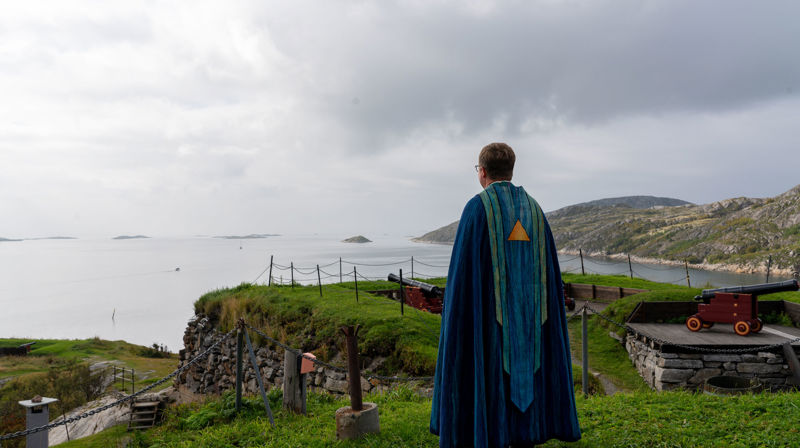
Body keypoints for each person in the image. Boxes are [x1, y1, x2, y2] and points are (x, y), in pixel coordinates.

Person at [430, 142, 581, 447]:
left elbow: (462, 277)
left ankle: (490, 431)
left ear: (481, 172)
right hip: (533, 323)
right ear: (511, 171)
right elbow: (550, 275)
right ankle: (529, 430)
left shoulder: (477, 208)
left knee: (492, 365)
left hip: (489, 324)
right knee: (527, 362)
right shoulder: (535, 210)